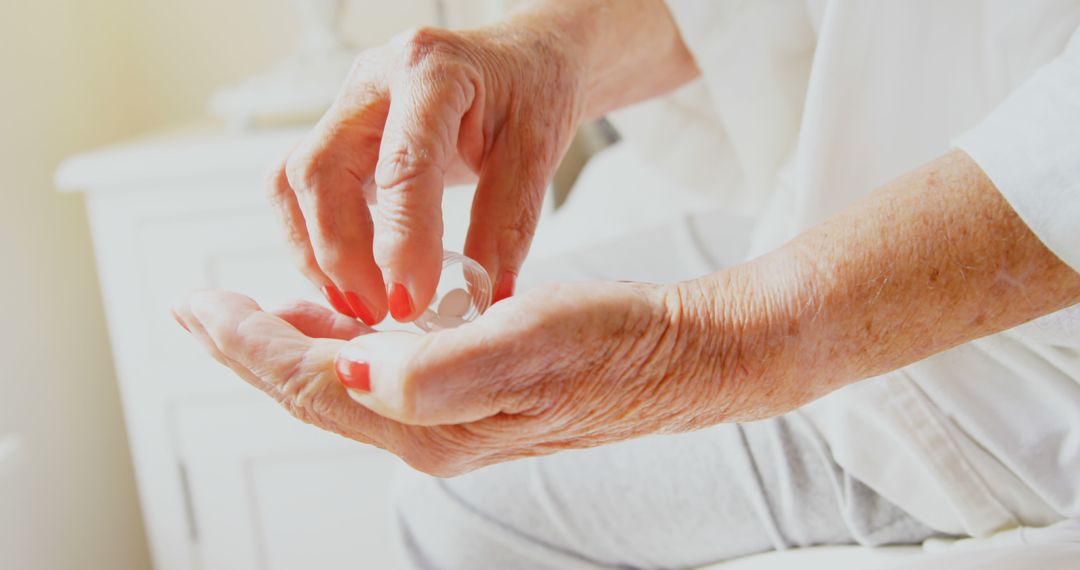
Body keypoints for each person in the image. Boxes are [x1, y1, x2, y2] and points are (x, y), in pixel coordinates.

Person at [172, 1, 1080, 567]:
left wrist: (720, 343)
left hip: (1023, 369)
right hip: (859, 183)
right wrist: (548, 47)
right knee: (506, 334)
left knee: (454, 496)